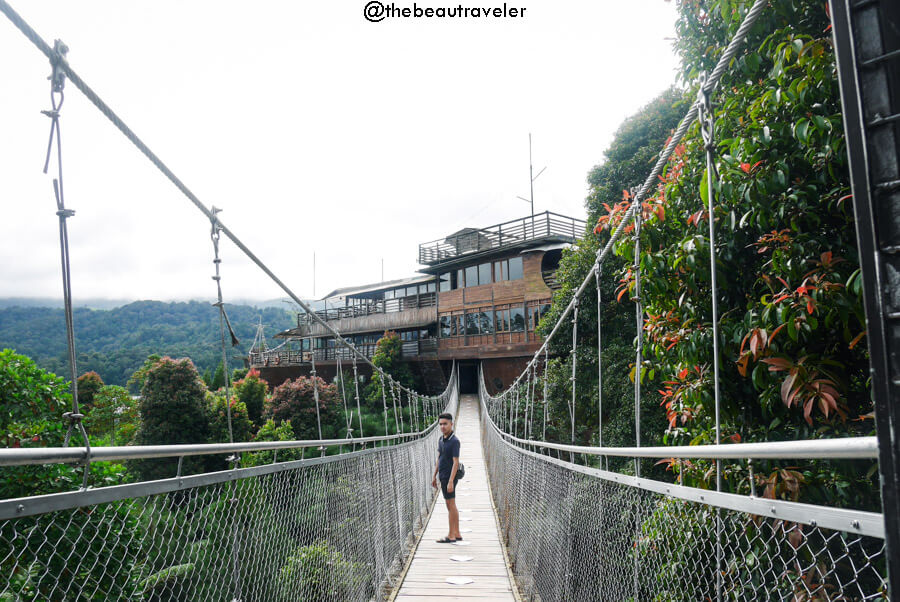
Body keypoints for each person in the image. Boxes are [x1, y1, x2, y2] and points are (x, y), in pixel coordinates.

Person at [432, 412, 461, 543]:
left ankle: (451, 535)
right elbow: (439, 458)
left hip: (450, 477)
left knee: (451, 504)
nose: (443, 427)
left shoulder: (454, 441)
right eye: (441, 424)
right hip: (442, 475)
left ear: (451, 424)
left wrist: (450, 481)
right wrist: (434, 476)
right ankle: (457, 533)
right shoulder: (441, 440)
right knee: (450, 504)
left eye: (445, 424)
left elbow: (456, 462)